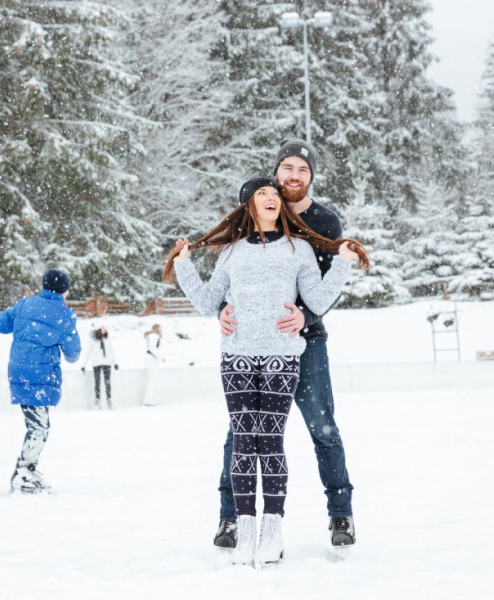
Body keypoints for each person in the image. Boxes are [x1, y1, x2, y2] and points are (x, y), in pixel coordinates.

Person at [164, 176, 368, 565]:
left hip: (281, 356)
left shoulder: (300, 249)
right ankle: (245, 529)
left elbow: (320, 299)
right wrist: (185, 265)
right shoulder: (231, 252)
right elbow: (209, 303)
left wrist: (342, 263)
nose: (272, 197)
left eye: (274, 193)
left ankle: (272, 529)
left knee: (270, 441)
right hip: (237, 356)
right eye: (263, 193)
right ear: (249, 205)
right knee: (242, 441)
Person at [214, 140, 360, 549]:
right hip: (253, 346)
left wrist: (305, 317)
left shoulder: (325, 223)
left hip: (306, 344)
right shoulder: (254, 214)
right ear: (275, 173)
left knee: (323, 428)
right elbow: (232, 274)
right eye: (287, 169)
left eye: (302, 170)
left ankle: (341, 515)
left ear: (311, 176)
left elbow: (329, 286)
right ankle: (229, 519)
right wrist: (222, 310)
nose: (294, 176)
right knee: (239, 435)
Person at [0, 269, 81, 493]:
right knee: (39, 428)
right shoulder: (64, 315)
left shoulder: (24, 306)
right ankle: (24, 473)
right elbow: (73, 353)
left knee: (38, 426)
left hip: (19, 372)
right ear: (64, 290)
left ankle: (25, 471)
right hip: (41, 376)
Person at [80, 326, 118, 409]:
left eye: (105, 328)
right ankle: (97, 400)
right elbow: (87, 352)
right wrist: (83, 365)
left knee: (107, 382)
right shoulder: (93, 340)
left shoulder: (107, 339)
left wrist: (115, 363)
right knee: (97, 382)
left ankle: (109, 399)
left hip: (107, 362)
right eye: (102, 328)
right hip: (96, 363)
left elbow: (112, 351)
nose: (104, 330)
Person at [142, 324, 162, 406]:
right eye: (160, 328)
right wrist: (159, 357)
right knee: (152, 380)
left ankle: (153, 399)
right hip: (152, 359)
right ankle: (149, 400)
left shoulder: (151, 336)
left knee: (153, 380)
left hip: (151, 358)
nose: (161, 330)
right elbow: (152, 348)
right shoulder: (154, 336)